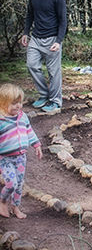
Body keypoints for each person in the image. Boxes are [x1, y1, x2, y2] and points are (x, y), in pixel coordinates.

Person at [21, 0, 67, 112]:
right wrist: (25, 32)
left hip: (52, 38)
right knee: (31, 65)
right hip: (36, 37)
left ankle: (55, 101)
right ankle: (44, 94)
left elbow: (63, 21)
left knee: (54, 73)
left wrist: (58, 41)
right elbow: (30, 14)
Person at [0, 84, 42, 219]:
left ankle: (16, 208)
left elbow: (29, 131)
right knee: (11, 184)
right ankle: (3, 201)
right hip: (5, 158)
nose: (18, 106)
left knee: (19, 185)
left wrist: (36, 145)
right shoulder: (1, 121)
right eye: (13, 103)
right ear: (2, 103)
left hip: (20, 158)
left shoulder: (22, 116)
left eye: (19, 102)